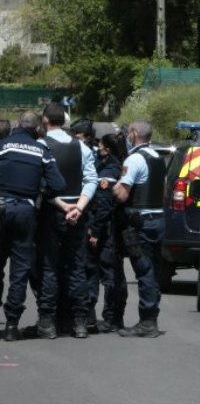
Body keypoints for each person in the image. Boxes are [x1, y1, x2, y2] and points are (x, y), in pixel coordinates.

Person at [0, 111, 66, 341]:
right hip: (26, 211)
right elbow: (58, 184)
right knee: (19, 271)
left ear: (18, 125)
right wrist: (38, 190)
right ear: (38, 128)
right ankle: (11, 325)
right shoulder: (42, 150)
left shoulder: (3, 145)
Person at [35, 102, 98, 339]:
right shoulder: (81, 147)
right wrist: (79, 208)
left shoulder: (41, 146)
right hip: (77, 212)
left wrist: (61, 205)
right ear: (64, 120)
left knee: (50, 267)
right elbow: (91, 180)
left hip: (53, 211)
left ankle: (47, 322)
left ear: (45, 121)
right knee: (76, 267)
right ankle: (79, 322)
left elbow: (40, 183)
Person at [112, 119, 165, 337]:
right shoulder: (157, 158)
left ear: (133, 133)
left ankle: (147, 321)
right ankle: (150, 318)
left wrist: (109, 187)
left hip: (141, 222)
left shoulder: (134, 159)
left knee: (144, 271)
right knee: (152, 269)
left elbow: (122, 193)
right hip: (158, 220)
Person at [85, 132, 128, 332]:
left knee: (108, 273)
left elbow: (103, 206)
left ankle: (111, 317)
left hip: (105, 229)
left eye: (100, 146)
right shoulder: (114, 166)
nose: (97, 148)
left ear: (107, 149)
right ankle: (110, 316)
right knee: (112, 272)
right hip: (109, 228)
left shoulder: (108, 172)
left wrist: (95, 232)